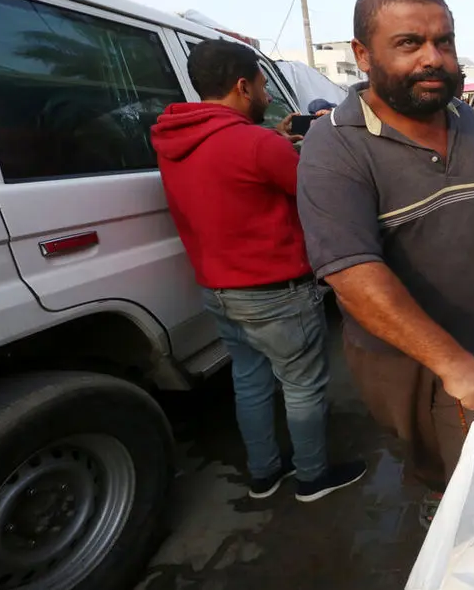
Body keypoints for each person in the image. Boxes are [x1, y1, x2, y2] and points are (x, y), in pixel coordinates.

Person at [296, 0, 474, 529]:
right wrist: (450, 363)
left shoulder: (465, 118)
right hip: (413, 360)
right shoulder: (336, 146)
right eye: (409, 43)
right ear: (362, 55)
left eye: (443, 42)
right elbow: (352, 273)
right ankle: (448, 522)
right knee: (454, 478)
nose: (433, 59)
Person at [151, 39, 367, 503]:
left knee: (249, 381)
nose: (268, 96)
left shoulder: (172, 140)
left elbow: (231, 175)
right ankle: (312, 477)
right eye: (264, 87)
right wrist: (295, 149)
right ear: (242, 86)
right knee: (302, 384)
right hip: (276, 291)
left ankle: (264, 474)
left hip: (218, 289)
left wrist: (277, 143)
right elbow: (315, 196)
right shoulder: (254, 143)